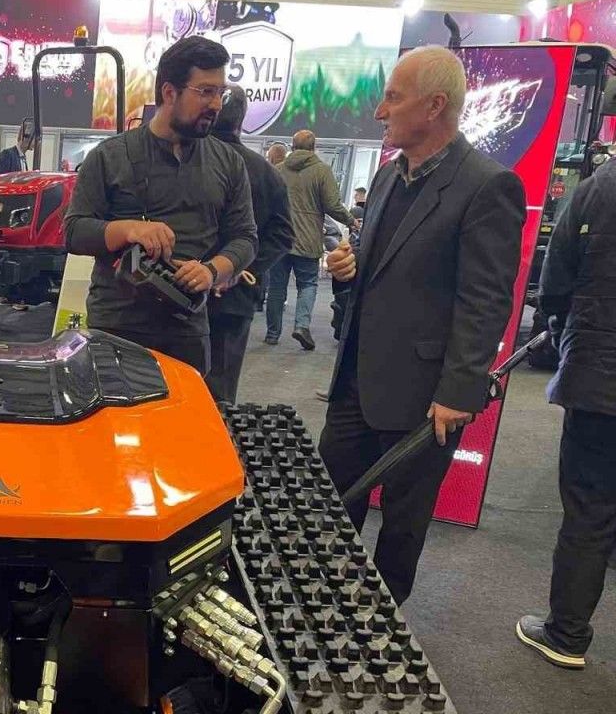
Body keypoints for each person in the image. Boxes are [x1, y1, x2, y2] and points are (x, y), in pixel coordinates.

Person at [319, 46, 525, 604]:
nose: (380, 111)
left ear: (434, 106)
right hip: (356, 382)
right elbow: (382, 268)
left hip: (425, 399)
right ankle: (323, 609)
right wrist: (348, 270)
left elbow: (486, 299)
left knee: (402, 526)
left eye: (393, 97)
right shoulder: (389, 175)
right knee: (330, 505)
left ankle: (380, 627)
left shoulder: (487, 185)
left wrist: (459, 390)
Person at [62, 35, 257, 372]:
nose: (216, 104)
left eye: (220, 92)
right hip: (117, 327)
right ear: (169, 92)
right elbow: (75, 232)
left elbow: (246, 238)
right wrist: (129, 230)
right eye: (205, 91)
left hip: (188, 330)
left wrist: (212, 271)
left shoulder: (228, 163)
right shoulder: (109, 157)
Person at [515, 159, 616, 670]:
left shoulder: (599, 188)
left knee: (589, 512)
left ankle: (567, 634)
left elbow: (555, 279)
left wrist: (559, 329)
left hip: (600, 380)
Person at [205, 84, 293, 402]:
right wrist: (244, 269)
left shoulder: (188, 162)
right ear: (242, 120)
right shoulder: (266, 172)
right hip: (235, 297)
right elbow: (283, 234)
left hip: (178, 292)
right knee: (220, 393)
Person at [267, 130, 357, 351]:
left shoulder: (278, 170)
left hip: (280, 239)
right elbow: (332, 205)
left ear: (292, 146)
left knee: (277, 287)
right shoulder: (322, 171)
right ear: (314, 148)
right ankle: (301, 326)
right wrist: (351, 220)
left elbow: (267, 202)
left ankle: (272, 333)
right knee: (307, 283)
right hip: (308, 239)